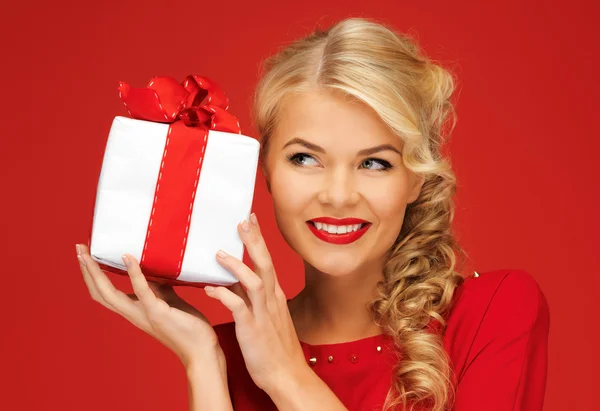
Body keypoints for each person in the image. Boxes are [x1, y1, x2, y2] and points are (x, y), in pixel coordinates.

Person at [75, 17, 550, 411]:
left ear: (416, 178)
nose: (338, 195)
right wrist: (203, 358)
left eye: (374, 163)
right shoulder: (233, 350)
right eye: (305, 158)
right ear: (264, 172)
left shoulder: (494, 313)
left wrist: (287, 378)